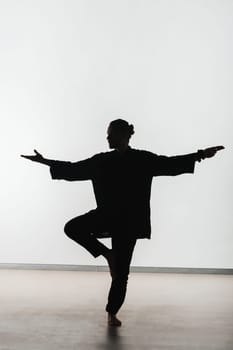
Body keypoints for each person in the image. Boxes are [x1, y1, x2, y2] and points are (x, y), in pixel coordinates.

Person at [21, 119, 224, 327]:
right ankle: (108, 254)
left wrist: (201, 155)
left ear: (124, 135)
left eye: (111, 134)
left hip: (129, 223)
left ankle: (111, 312)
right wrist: (44, 161)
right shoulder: (101, 160)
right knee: (72, 227)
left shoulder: (142, 159)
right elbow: (73, 169)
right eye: (107, 134)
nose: (107, 138)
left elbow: (170, 164)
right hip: (106, 216)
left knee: (121, 273)